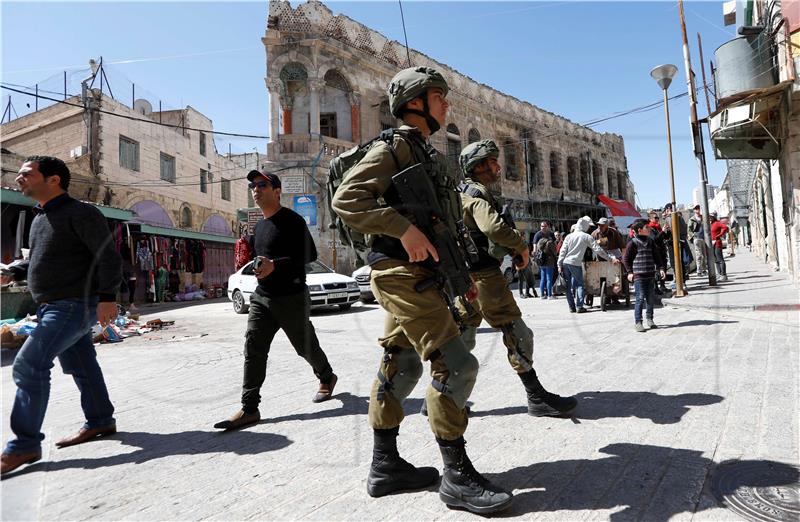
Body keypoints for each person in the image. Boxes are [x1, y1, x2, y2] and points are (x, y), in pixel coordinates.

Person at [331, 67, 513, 514]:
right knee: (456, 364)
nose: (446, 104)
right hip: (399, 271)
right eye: (438, 96)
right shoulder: (394, 145)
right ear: (414, 101)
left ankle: (385, 465)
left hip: (425, 273)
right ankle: (456, 474)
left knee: (403, 361)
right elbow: (348, 199)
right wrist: (404, 230)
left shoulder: (424, 155)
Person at [1, 156, 121, 475]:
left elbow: (107, 256)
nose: (19, 179)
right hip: (50, 306)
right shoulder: (40, 219)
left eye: (27, 173)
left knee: (28, 364)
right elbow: (41, 261)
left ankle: (24, 445)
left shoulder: (82, 213)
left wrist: (108, 297)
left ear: (53, 180)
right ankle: (100, 420)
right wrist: (12, 272)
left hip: (72, 305)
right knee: (82, 365)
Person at [453, 139, 576, 416]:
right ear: (479, 166)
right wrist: (520, 246)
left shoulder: (457, 193)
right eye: (493, 162)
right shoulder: (475, 194)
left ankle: (445, 399)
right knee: (518, 334)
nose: (498, 167)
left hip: (464, 278)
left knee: (462, 338)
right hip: (484, 277)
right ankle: (536, 397)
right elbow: (493, 226)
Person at [214, 170, 338, 431]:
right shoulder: (259, 226)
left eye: (262, 185)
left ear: (277, 191)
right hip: (262, 297)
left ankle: (327, 377)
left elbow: (309, 255)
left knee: (305, 347)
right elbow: (261, 258)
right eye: (253, 186)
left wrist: (276, 266)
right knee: (253, 349)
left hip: (291, 297)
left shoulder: (292, 221)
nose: (255, 189)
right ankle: (249, 408)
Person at [557, 216, 620, 313]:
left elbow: (562, 251)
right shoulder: (586, 236)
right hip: (575, 263)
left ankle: (571, 307)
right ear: (585, 226)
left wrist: (559, 264)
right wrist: (610, 259)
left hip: (565, 263)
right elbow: (598, 250)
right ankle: (579, 307)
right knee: (580, 285)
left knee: (568, 287)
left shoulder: (569, 236)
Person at [623, 219, 667, 333]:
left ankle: (650, 319)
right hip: (639, 276)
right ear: (639, 230)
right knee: (640, 299)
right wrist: (629, 272)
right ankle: (638, 322)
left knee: (650, 298)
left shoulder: (651, 241)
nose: (649, 229)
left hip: (650, 275)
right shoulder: (632, 243)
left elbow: (657, 257)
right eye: (647, 227)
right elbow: (626, 259)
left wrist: (661, 268)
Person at [661, 203, 689, 289]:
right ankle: (680, 281)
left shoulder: (673, 217)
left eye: (668, 209)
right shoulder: (672, 218)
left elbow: (674, 231)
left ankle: (680, 281)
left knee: (677, 263)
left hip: (675, 242)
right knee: (676, 263)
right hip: (674, 242)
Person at [536, 233, 557, 299]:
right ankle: (549, 295)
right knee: (549, 279)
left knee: (542, 279)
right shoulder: (549, 242)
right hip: (549, 262)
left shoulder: (539, 242)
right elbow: (554, 252)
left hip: (542, 262)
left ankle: (542, 295)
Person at [688, 205, 707, 276]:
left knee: (704, 255)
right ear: (694, 210)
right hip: (697, 238)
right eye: (696, 209)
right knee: (699, 255)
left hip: (704, 238)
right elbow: (689, 229)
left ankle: (704, 270)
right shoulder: (692, 219)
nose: (697, 210)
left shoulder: (703, 217)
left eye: (698, 208)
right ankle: (699, 271)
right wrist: (693, 236)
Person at [710, 212, 729, 281]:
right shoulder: (710, 224)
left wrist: (720, 235)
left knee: (720, 259)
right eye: (709, 216)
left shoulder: (717, 223)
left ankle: (724, 275)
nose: (710, 218)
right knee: (716, 260)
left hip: (717, 243)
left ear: (714, 217)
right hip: (712, 244)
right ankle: (719, 274)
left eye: (711, 217)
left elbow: (725, 227)